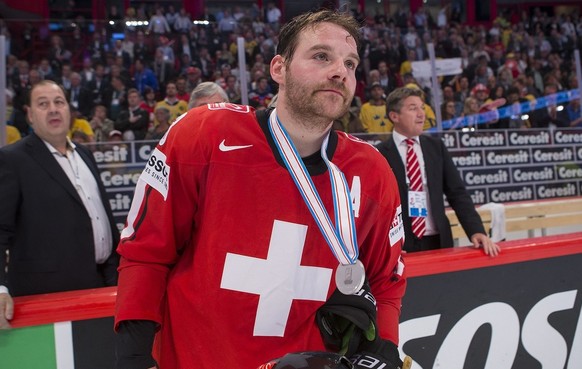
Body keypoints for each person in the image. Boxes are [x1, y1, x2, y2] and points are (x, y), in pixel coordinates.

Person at [114, 10, 406, 369]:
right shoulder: (202, 135)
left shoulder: (372, 172)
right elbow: (146, 253)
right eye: (321, 56)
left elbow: (386, 282)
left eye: (350, 63)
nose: (339, 71)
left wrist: (386, 349)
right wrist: (132, 357)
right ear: (278, 69)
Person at [0, 80, 120, 329]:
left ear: (69, 111)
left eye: (59, 102)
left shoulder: (85, 155)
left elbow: (102, 220)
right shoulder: (12, 160)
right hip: (46, 299)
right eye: (43, 104)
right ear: (30, 115)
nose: (53, 109)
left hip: (101, 288)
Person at [376, 87, 500, 256]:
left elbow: (457, 193)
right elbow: (376, 207)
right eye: (413, 108)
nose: (421, 114)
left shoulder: (436, 147)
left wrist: (476, 230)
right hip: (401, 246)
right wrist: (385, 245)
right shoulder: (380, 154)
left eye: (422, 107)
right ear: (394, 116)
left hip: (439, 241)